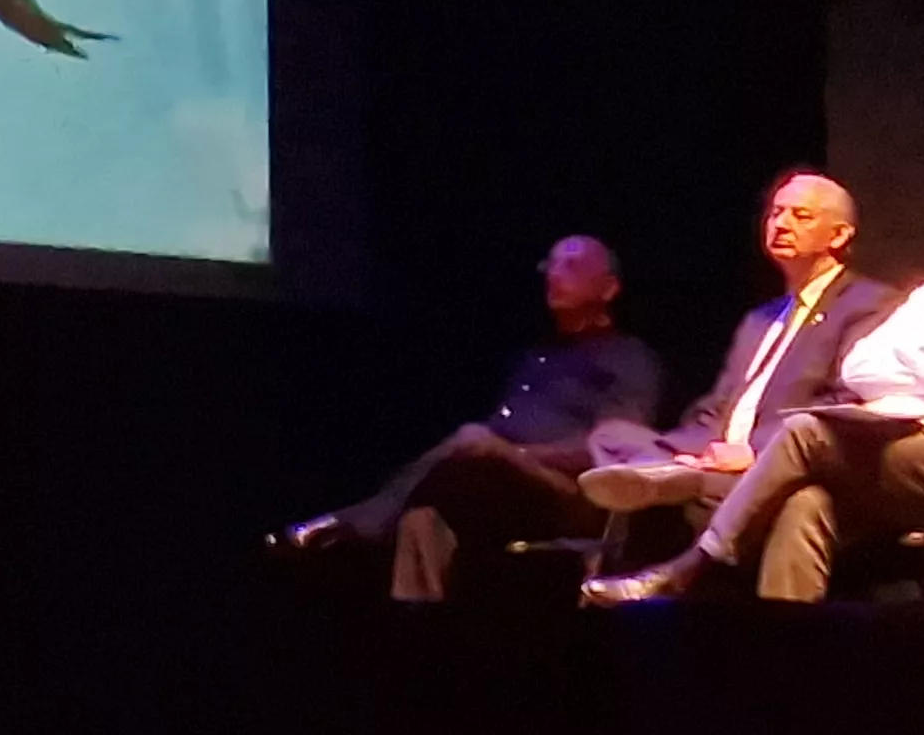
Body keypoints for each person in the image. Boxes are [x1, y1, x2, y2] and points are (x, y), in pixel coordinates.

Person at [584, 177, 924, 605]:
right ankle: (789, 658)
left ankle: (688, 568)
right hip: (896, 449)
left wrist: (918, 366)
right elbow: (864, 368)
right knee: (806, 501)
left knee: (806, 431)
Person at [268, 235, 664, 599]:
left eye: (572, 266)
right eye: (552, 265)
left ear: (609, 288)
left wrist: (517, 454)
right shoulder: (536, 356)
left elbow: (613, 448)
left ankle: (349, 523)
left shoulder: (628, 358)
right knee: (422, 517)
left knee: (473, 439)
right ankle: (425, 640)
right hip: (494, 485)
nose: (555, 275)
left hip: (568, 491)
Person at [575, 171, 897, 522]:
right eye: (776, 213)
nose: (781, 224)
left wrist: (753, 449)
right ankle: (669, 474)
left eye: (801, 216)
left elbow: (844, 405)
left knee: (641, 488)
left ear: (839, 235)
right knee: (611, 436)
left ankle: (669, 480)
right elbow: (719, 408)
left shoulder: (868, 305)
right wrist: (696, 450)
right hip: (716, 456)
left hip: (775, 459)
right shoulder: (759, 319)